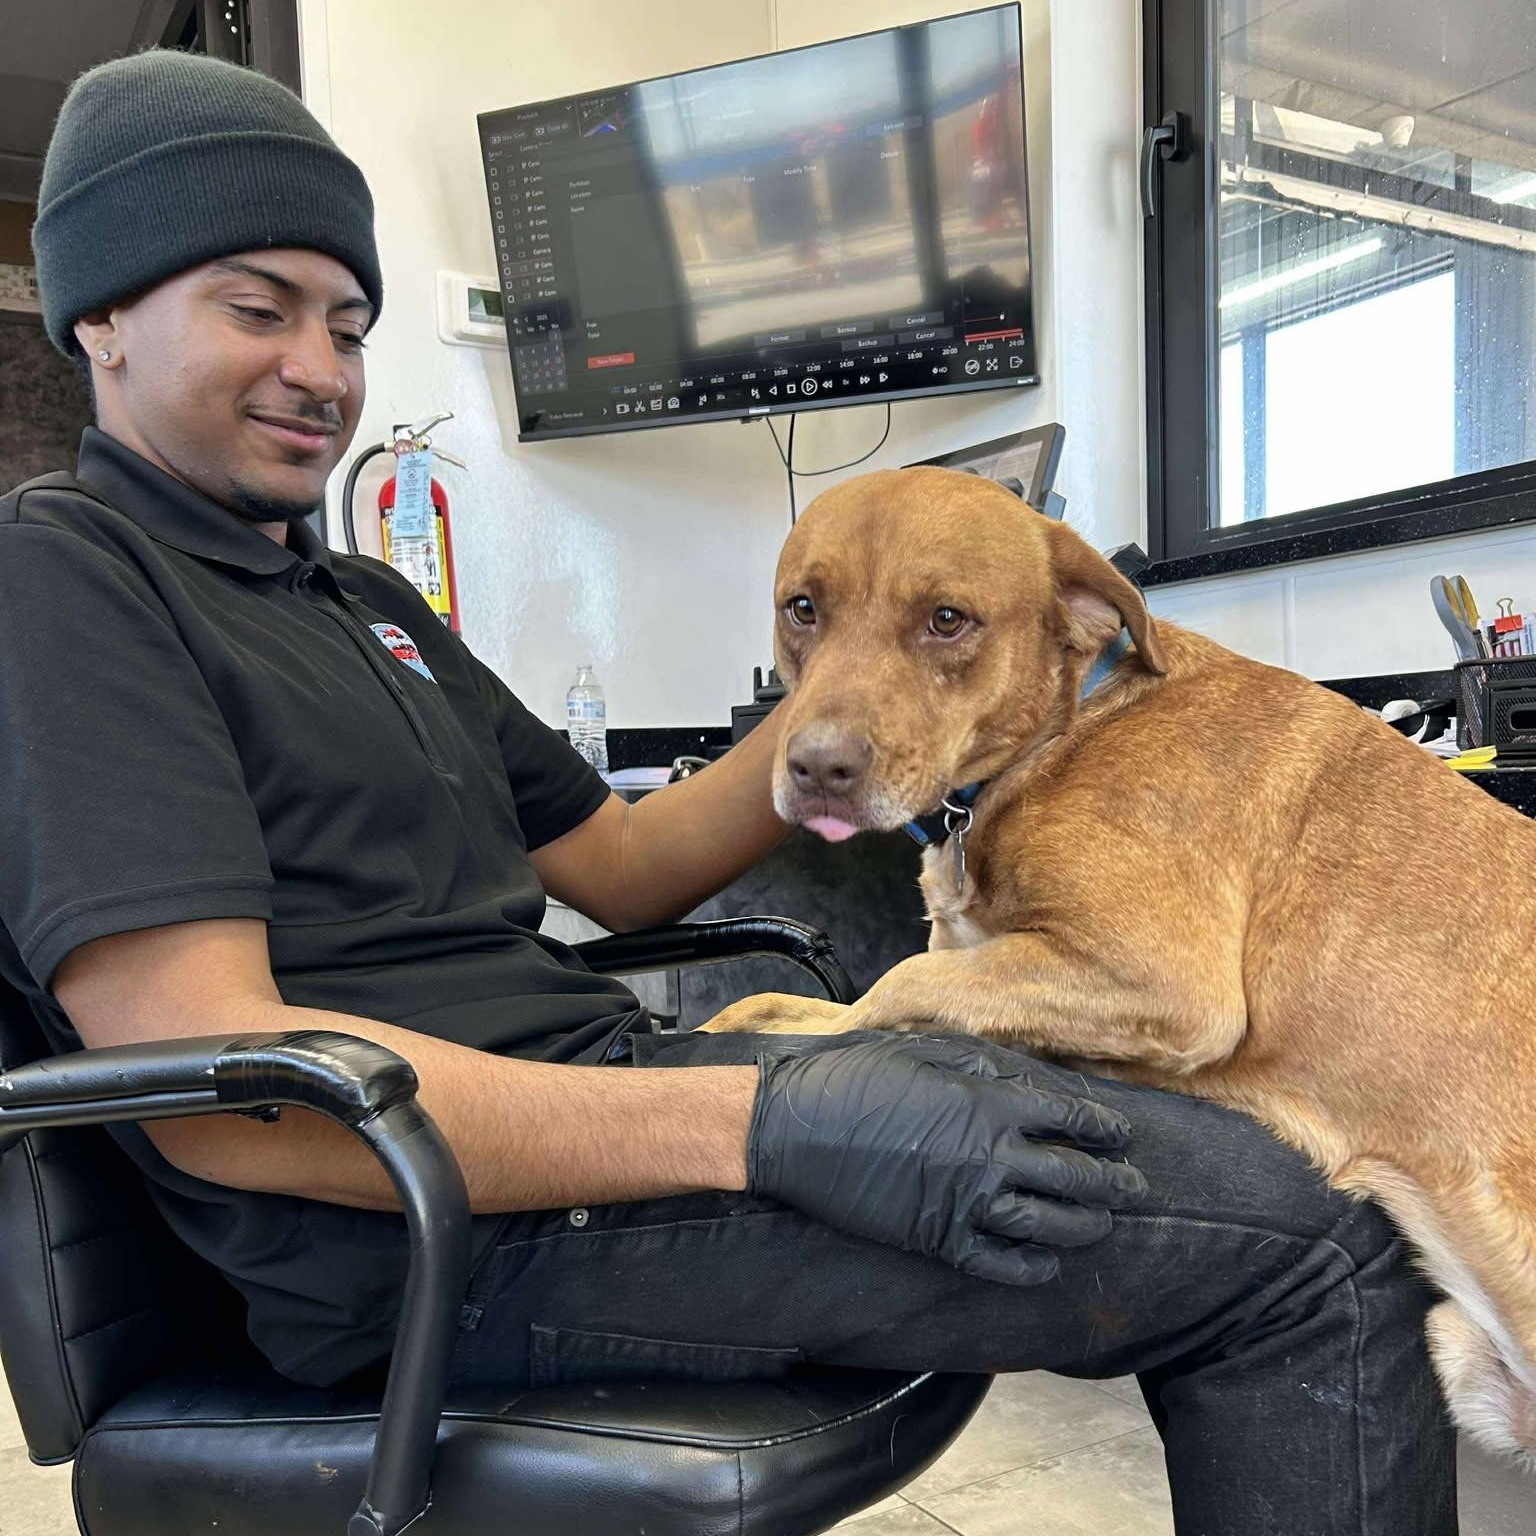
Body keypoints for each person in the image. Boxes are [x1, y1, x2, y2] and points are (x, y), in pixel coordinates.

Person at [1, 51, 1454, 1534]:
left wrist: (882, 681)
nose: (321, 366)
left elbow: (624, 867)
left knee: (1277, 1162)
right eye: (258, 309)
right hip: (437, 1233)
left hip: (609, 1109)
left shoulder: (361, 598)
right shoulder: (67, 579)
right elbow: (221, 1081)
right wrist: (762, 1129)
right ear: (100, 317)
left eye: (349, 324)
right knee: (1313, 1244)